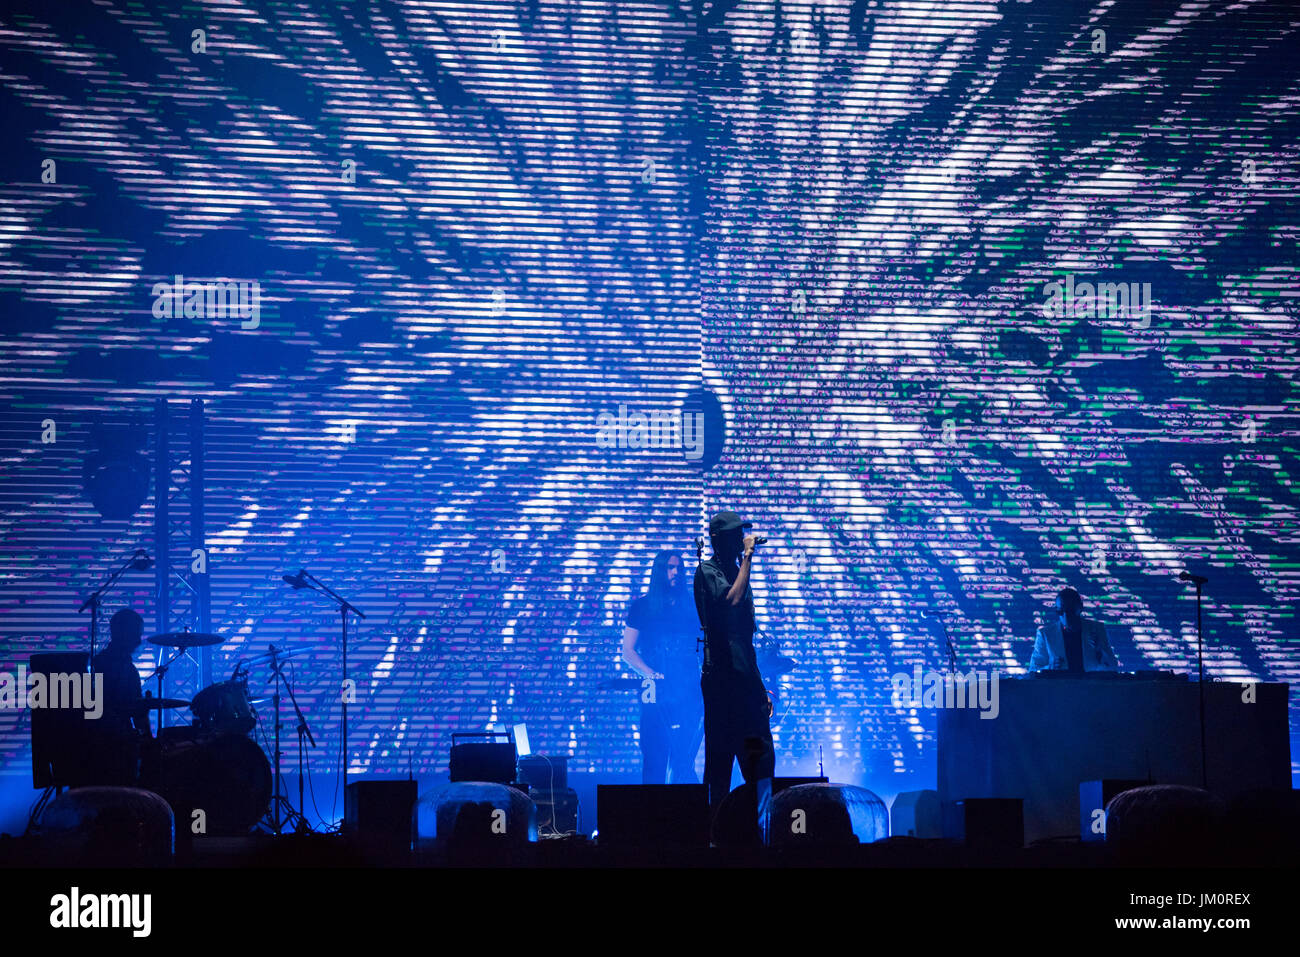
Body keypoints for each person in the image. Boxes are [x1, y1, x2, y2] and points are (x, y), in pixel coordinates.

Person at [693, 510, 774, 843]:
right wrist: (749, 557)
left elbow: (744, 641)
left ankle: (762, 833)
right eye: (737, 536)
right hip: (723, 687)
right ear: (720, 539)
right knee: (720, 766)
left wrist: (760, 688)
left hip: (746, 685)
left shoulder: (735, 570)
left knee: (761, 761)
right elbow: (731, 601)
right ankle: (715, 840)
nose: (743, 540)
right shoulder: (708, 572)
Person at [622, 550, 703, 784]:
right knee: (654, 753)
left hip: (687, 689)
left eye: (679, 568)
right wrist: (651, 673)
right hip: (654, 690)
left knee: (683, 756)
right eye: (670, 567)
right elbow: (628, 650)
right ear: (660, 571)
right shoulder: (643, 607)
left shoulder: (692, 608)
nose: (675, 572)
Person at [88, 607, 152, 783]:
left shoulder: (101, 664)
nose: (139, 641)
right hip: (108, 751)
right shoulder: (100, 667)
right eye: (136, 635)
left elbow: (136, 711)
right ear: (122, 633)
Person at [1028, 587, 1120, 672]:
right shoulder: (1046, 634)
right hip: (1059, 688)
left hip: (1090, 687)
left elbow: (1112, 666)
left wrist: (1100, 651)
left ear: (1080, 608)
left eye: (1070, 611)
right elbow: (1033, 670)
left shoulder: (1096, 629)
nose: (1065, 616)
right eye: (1060, 611)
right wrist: (1050, 668)